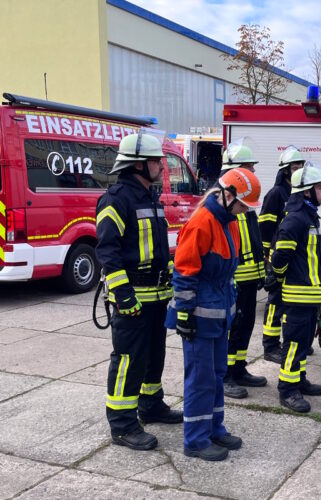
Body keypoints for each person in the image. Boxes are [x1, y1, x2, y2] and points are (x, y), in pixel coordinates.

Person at [165, 167, 261, 461]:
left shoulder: (229, 221)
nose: (245, 211)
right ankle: (195, 439)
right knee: (200, 378)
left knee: (217, 374)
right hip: (198, 316)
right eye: (243, 205)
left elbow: (227, 273)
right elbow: (184, 272)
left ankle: (214, 429)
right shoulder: (201, 223)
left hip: (218, 313)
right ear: (227, 195)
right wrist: (184, 315)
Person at [96, 131, 182, 451]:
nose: (161, 164)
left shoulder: (150, 197)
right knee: (129, 360)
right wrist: (122, 294)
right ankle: (122, 424)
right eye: (155, 160)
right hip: (133, 298)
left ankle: (150, 404)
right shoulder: (116, 200)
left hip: (157, 296)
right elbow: (107, 252)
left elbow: (158, 250)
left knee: (153, 356)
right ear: (137, 165)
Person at [266, 162, 321, 413]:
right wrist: (277, 278)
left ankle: (298, 379)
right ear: (306, 192)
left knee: (303, 342)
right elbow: (280, 258)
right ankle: (287, 390)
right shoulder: (296, 220)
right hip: (296, 296)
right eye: (319, 187)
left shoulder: (309, 217)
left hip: (309, 296)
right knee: (293, 343)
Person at [220, 140, 268, 400]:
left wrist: (261, 270)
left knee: (246, 325)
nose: (252, 172)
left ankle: (238, 368)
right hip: (235, 278)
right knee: (232, 327)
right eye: (248, 167)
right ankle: (225, 374)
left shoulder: (245, 199)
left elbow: (253, 239)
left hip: (250, 276)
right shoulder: (224, 199)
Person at [258, 146, 306, 364]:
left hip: (292, 259)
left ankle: (290, 342)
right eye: (295, 166)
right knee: (275, 303)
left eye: (301, 166)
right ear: (286, 169)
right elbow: (265, 229)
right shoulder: (276, 194)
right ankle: (270, 345)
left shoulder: (297, 192)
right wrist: (267, 259)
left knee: (288, 304)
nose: (298, 169)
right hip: (275, 257)